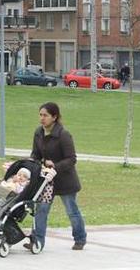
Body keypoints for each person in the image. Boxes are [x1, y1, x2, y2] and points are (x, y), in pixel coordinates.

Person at [27, 102, 87, 251]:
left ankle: (80, 239)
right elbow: (35, 154)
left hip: (65, 180)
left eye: (45, 115)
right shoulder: (38, 132)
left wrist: (55, 166)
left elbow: (71, 159)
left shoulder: (63, 135)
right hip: (46, 181)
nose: (42, 118)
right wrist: (33, 162)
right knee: (41, 209)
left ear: (54, 117)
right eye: (40, 115)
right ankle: (37, 241)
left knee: (72, 211)